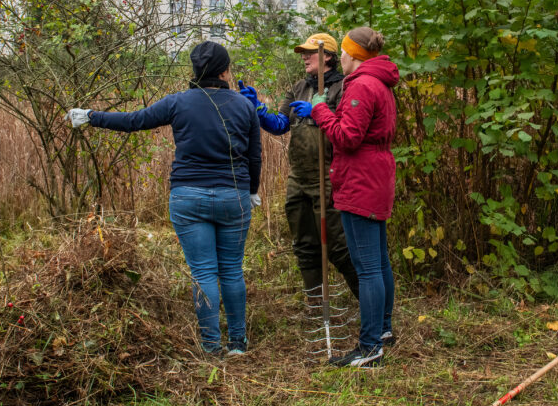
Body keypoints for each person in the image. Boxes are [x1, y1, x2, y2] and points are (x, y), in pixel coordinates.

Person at [67, 41, 260, 357]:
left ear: (195, 71)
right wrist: (252, 190)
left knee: (204, 272)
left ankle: (212, 347)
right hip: (233, 197)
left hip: (188, 196)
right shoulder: (244, 106)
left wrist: (90, 116)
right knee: (232, 270)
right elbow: (254, 156)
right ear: (225, 71)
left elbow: (134, 121)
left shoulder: (178, 102)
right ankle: (238, 343)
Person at [289, 26, 399, 368]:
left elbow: (348, 137)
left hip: (360, 179)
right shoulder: (378, 81)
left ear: (350, 54)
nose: (346, 56)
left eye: (348, 51)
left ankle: (370, 348)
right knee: (379, 262)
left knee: (368, 268)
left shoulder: (362, 85)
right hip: (374, 176)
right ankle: (381, 333)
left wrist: (321, 111)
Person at [238, 33, 360, 305]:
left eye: (309, 52)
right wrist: (256, 107)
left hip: (329, 177)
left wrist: (318, 113)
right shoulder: (297, 88)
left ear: (327, 56)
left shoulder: (344, 88)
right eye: (302, 53)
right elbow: (280, 124)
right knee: (304, 245)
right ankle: (317, 305)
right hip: (299, 178)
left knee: (339, 248)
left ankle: (370, 305)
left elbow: (346, 129)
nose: (304, 57)